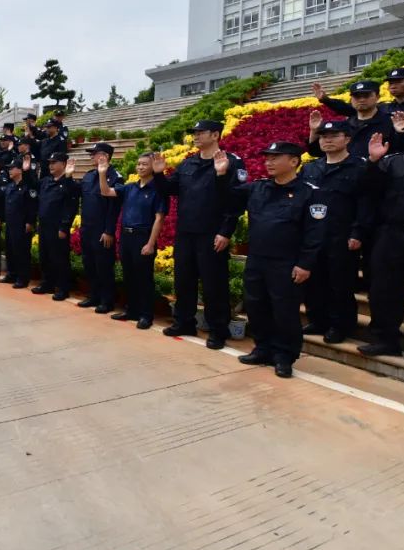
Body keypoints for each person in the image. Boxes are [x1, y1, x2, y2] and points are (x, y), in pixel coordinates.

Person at [215, 142, 328, 378]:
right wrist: (222, 174)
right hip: (257, 260)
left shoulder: (311, 193)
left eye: (276, 158)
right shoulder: (258, 188)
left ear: (294, 161)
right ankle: (263, 348)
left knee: (284, 312)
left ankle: (284, 356)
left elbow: (315, 233)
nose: (269, 162)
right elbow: (229, 196)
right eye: (267, 158)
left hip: (286, 263)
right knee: (256, 306)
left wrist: (305, 264)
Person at [151, 120, 245, 350]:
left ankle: (217, 330)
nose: (196, 136)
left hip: (212, 233)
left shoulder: (231, 162)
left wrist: (226, 232)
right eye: (194, 132)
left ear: (215, 135)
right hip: (186, 232)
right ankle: (184, 322)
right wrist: (159, 174)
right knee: (184, 280)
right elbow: (169, 190)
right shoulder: (188, 163)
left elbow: (236, 200)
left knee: (214, 284)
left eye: (201, 132)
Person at [299, 120, 373, 343]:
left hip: (341, 235)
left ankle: (340, 325)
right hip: (313, 236)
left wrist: (358, 232)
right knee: (313, 282)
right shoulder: (311, 168)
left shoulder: (360, 167)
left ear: (348, 139)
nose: (327, 140)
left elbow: (366, 203)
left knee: (340, 283)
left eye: (333, 135)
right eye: (323, 136)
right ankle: (318, 319)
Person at [357, 121, 404, 360]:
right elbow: (367, 188)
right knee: (383, 290)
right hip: (391, 234)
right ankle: (385, 340)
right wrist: (373, 162)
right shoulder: (394, 161)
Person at [96, 152, 169, 330]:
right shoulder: (130, 187)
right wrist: (102, 173)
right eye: (138, 164)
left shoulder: (158, 190)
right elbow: (105, 191)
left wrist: (151, 244)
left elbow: (159, 219)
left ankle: (146, 315)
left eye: (145, 164)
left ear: (153, 167)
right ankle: (132, 310)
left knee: (144, 278)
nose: (140, 167)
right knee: (129, 276)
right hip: (127, 236)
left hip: (143, 237)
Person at [315, 67, 404, 153]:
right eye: (390, 82)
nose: (393, 86)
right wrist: (326, 100)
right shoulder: (383, 107)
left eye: (398, 81)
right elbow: (350, 108)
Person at [75, 142, 122, 314]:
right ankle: (93, 295)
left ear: (105, 156)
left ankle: (106, 300)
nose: (92, 157)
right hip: (87, 228)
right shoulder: (88, 176)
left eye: (95, 153)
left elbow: (114, 207)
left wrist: (109, 230)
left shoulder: (115, 176)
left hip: (102, 230)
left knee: (104, 266)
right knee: (89, 264)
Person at [307, 82, 394, 159]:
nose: (361, 100)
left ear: (377, 97)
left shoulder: (391, 121)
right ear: (351, 99)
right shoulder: (344, 126)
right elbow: (317, 152)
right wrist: (314, 130)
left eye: (366, 95)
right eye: (357, 96)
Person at [35, 152, 80, 301]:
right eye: (50, 163)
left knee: (59, 258)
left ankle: (62, 288)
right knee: (45, 256)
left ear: (64, 164)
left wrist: (64, 226)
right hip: (44, 225)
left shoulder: (70, 183)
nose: (51, 165)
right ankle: (47, 283)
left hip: (58, 227)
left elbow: (70, 206)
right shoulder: (47, 181)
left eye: (54, 162)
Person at [0, 161, 37, 288]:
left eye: (12, 168)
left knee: (21, 251)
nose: (9, 170)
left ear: (20, 170)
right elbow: (6, 205)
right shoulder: (10, 186)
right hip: (10, 223)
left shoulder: (27, 186)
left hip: (22, 224)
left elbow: (32, 206)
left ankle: (22, 277)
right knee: (10, 250)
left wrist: (30, 222)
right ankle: (12, 274)